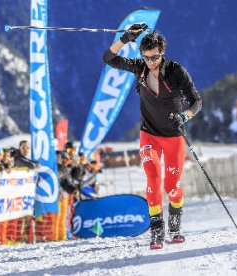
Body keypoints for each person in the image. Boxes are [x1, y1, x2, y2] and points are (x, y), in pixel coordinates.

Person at [103, 24, 202, 249]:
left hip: (174, 136)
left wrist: (185, 115)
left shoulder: (176, 71)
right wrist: (125, 38)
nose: (151, 62)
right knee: (153, 180)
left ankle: (175, 226)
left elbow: (197, 101)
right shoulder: (140, 69)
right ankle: (157, 232)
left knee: (172, 186)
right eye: (146, 57)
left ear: (162, 53)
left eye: (155, 57)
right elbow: (108, 58)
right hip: (149, 136)